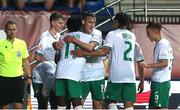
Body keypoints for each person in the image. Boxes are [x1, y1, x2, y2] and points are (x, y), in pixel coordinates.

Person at [71, 12, 144, 109]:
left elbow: (103, 52)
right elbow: (140, 62)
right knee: (129, 106)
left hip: (115, 75)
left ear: (117, 22)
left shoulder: (111, 34)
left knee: (109, 101)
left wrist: (84, 53)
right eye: (90, 22)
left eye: (114, 21)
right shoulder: (132, 36)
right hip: (130, 76)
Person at [54, 14, 99, 109]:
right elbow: (93, 50)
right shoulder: (87, 37)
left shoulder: (62, 37)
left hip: (60, 72)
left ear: (67, 25)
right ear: (81, 24)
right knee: (77, 105)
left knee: (61, 106)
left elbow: (56, 59)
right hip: (73, 74)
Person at [63, 12, 105, 109]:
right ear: (83, 22)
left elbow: (90, 48)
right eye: (90, 22)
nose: (92, 25)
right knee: (79, 104)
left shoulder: (97, 33)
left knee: (97, 104)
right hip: (82, 75)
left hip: (97, 74)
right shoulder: (79, 34)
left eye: (94, 22)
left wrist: (75, 42)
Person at [33, 12, 64, 109]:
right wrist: (52, 64)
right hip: (42, 75)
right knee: (43, 105)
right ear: (52, 23)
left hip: (56, 75)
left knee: (55, 104)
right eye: (60, 23)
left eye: (63, 23)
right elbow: (37, 56)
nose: (63, 25)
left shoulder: (61, 37)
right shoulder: (45, 37)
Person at [0, 20, 32, 109]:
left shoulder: (22, 43)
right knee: (4, 107)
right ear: (5, 30)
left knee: (18, 105)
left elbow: (25, 61)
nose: (12, 32)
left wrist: (29, 77)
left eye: (14, 29)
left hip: (18, 79)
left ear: (16, 30)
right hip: (3, 78)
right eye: (10, 29)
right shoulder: (0, 44)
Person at [142, 21, 174, 109]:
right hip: (161, 81)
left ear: (155, 31)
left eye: (148, 33)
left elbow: (164, 63)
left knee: (161, 108)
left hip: (161, 83)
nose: (147, 36)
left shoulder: (162, 44)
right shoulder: (165, 43)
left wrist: (147, 65)